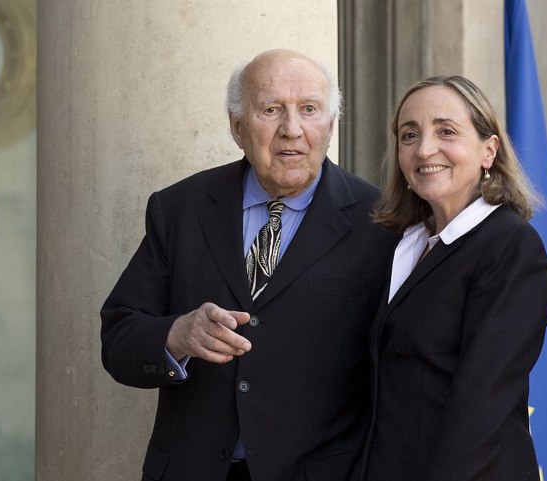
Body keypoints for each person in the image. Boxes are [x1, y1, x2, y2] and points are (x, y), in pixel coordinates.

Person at [100, 49, 398, 481]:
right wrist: (177, 336)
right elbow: (119, 338)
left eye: (309, 110)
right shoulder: (179, 209)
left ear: (331, 126)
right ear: (237, 126)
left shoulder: (382, 223)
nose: (291, 129)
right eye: (271, 109)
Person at [361, 76, 547, 481]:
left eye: (446, 131)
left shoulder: (511, 246)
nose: (424, 149)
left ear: (489, 150)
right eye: (409, 135)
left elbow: (482, 404)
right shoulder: (403, 245)